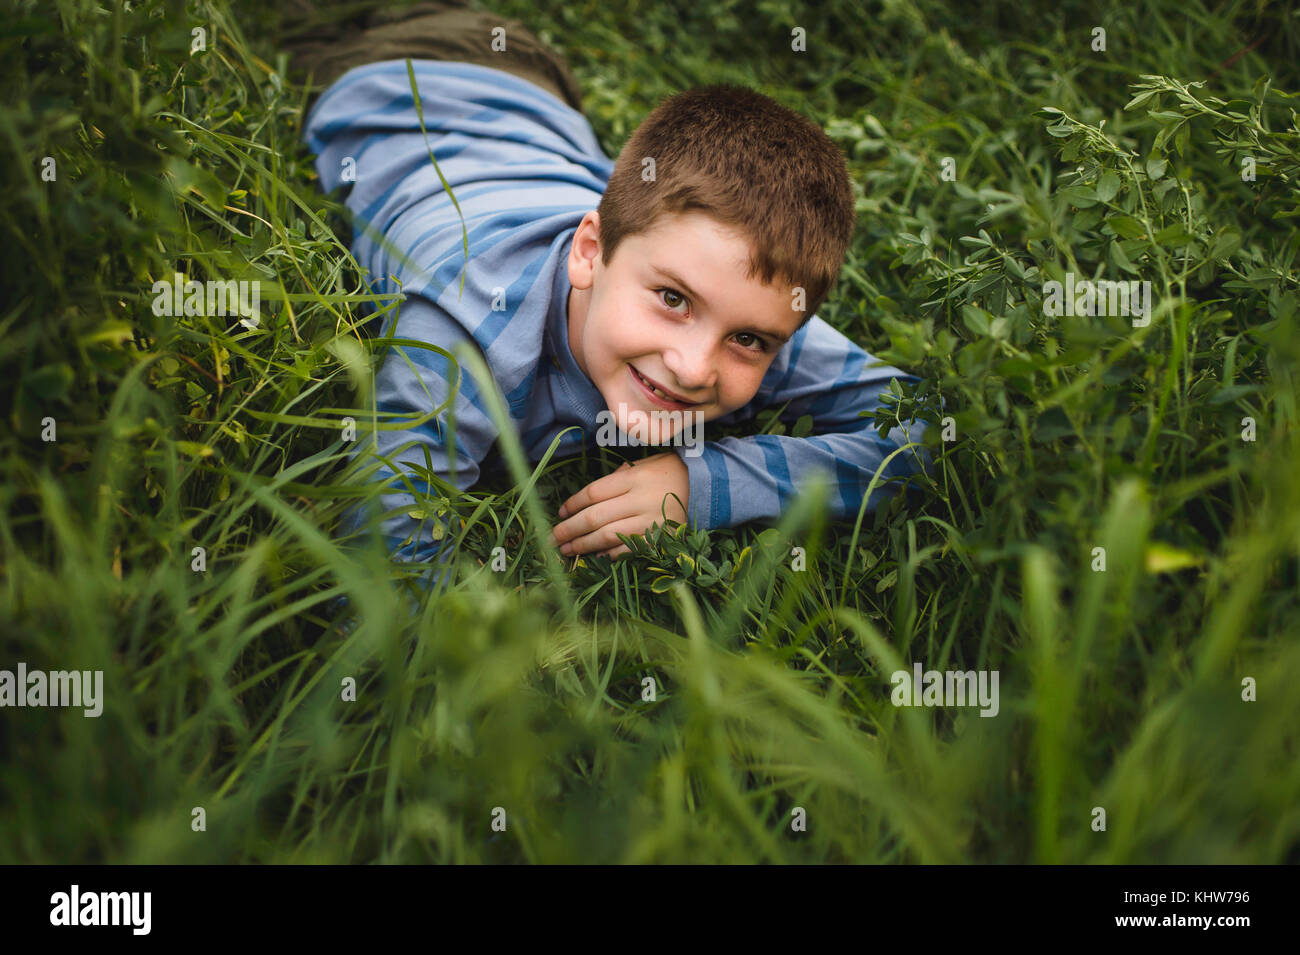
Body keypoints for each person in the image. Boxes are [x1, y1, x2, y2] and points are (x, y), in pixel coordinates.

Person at [289, 0, 928, 597]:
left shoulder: (742, 300)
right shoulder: (467, 326)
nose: (693, 367)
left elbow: (922, 428)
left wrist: (698, 485)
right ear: (589, 252)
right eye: (673, 299)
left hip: (540, 98)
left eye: (750, 341)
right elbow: (385, 549)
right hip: (387, 73)